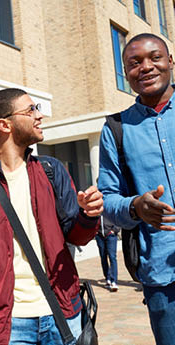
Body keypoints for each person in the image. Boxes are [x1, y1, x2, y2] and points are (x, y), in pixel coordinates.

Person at [0, 88, 103, 345]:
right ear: (4, 124)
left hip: (63, 313)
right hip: (10, 325)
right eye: (31, 110)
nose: (39, 116)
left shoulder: (51, 171)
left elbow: (77, 236)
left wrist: (88, 215)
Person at [98, 33, 175, 345]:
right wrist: (135, 207)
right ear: (125, 73)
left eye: (154, 57)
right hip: (161, 277)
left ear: (170, 62)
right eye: (134, 63)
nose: (145, 67)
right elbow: (107, 197)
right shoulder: (115, 129)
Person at [95, 215, 121, 292]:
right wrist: (95, 231)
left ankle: (114, 281)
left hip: (110, 235)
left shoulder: (110, 205)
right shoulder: (96, 207)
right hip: (99, 235)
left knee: (112, 257)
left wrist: (114, 230)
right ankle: (108, 278)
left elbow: (118, 218)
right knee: (103, 257)